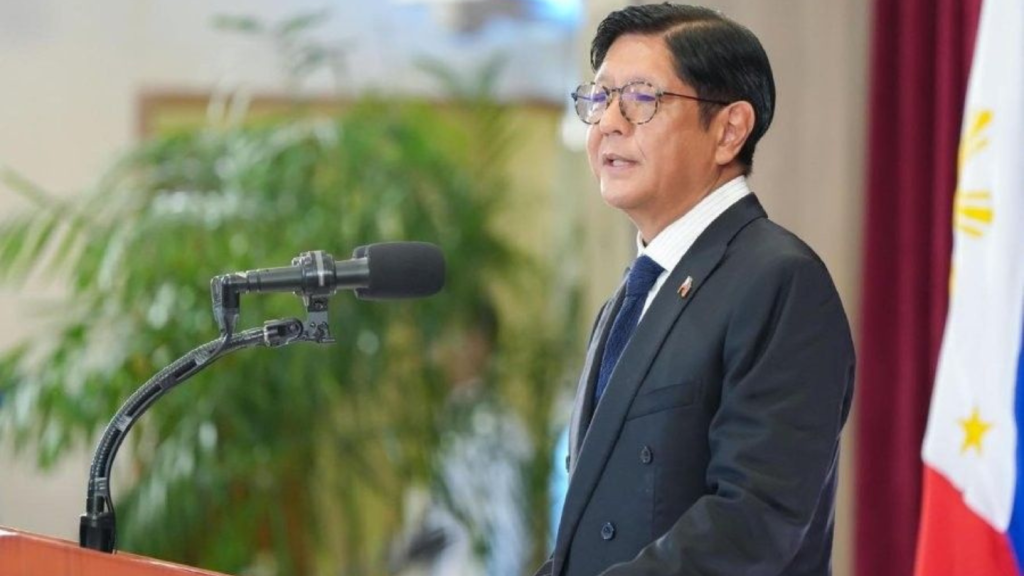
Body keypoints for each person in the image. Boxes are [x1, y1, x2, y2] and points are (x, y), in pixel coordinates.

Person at [536, 4, 855, 576]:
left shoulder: (779, 280)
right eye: (600, 98)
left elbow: (752, 523)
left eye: (641, 98)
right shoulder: (629, 299)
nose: (608, 123)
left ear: (729, 130)